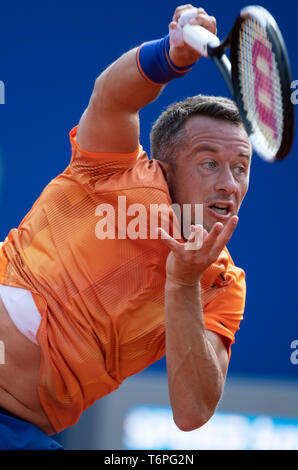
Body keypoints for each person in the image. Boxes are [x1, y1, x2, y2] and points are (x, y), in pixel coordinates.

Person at [0, 4, 251, 449]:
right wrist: (169, 55)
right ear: (166, 165)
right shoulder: (114, 169)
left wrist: (183, 283)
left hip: (18, 429)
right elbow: (111, 95)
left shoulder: (221, 285)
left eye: (241, 167)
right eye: (210, 163)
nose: (229, 184)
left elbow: (193, 412)